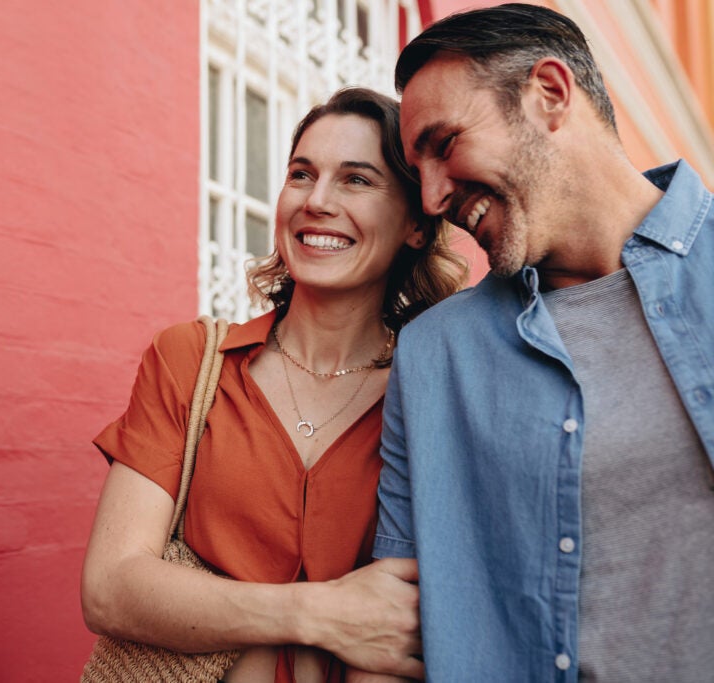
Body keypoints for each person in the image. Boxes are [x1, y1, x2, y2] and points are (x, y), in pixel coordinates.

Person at [373, 3, 714, 681]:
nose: (434, 197)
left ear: (550, 95)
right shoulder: (435, 356)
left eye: (444, 144)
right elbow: (392, 622)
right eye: (420, 174)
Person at [81, 87, 466, 682]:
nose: (316, 200)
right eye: (300, 174)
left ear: (416, 225)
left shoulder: (429, 399)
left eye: (356, 180)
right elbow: (109, 588)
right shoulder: (190, 361)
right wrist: (315, 613)